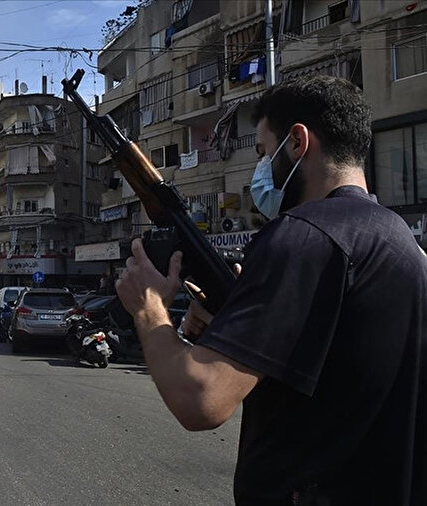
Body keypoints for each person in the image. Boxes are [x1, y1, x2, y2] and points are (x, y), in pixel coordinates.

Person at [115, 75, 426, 505]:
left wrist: (149, 310)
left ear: (297, 142)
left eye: (264, 152)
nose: (264, 169)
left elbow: (200, 398)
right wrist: (238, 328)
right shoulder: (401, 241)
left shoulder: (301, 235)